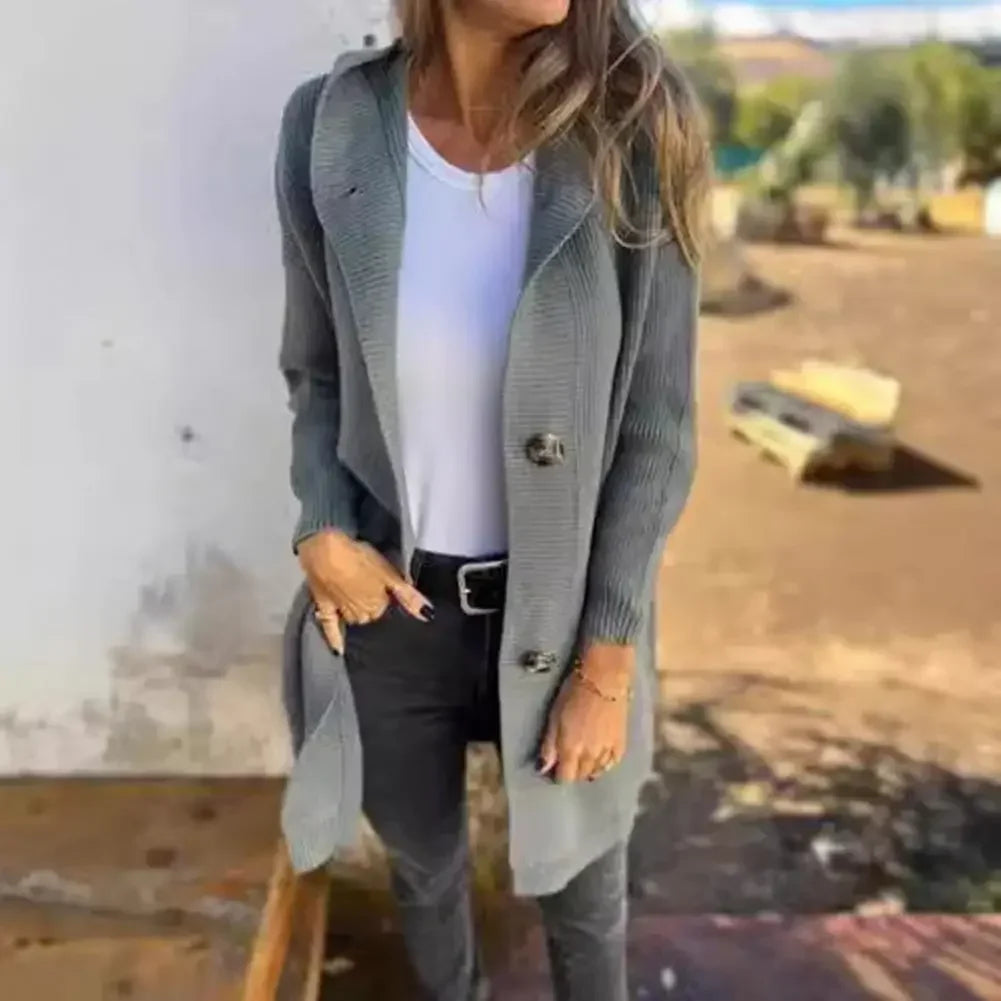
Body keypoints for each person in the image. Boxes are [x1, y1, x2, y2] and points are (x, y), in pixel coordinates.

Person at [274, 2, 708, 999]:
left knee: (583, 892)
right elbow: (317, 372)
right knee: (423, 874)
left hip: (564, 616)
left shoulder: (635, 125)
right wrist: (321, 524)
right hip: (390, 612)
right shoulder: (329, 126)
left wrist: (605, 660)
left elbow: (656, 429)